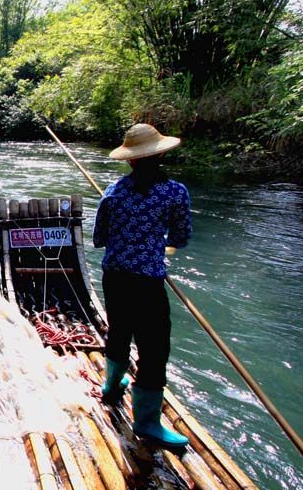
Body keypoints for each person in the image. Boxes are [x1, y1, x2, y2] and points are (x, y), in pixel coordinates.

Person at [93, 123, 192, 449]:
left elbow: (99, 239)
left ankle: (111, 386)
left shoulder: (113, 193)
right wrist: (155, 243)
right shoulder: (175, 193)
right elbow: (180, 238)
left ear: (131, 160)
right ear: (161, 154)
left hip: (116, 277)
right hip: (147, 281)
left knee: (119, 331)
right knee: (154, 348)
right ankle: (147, 424)